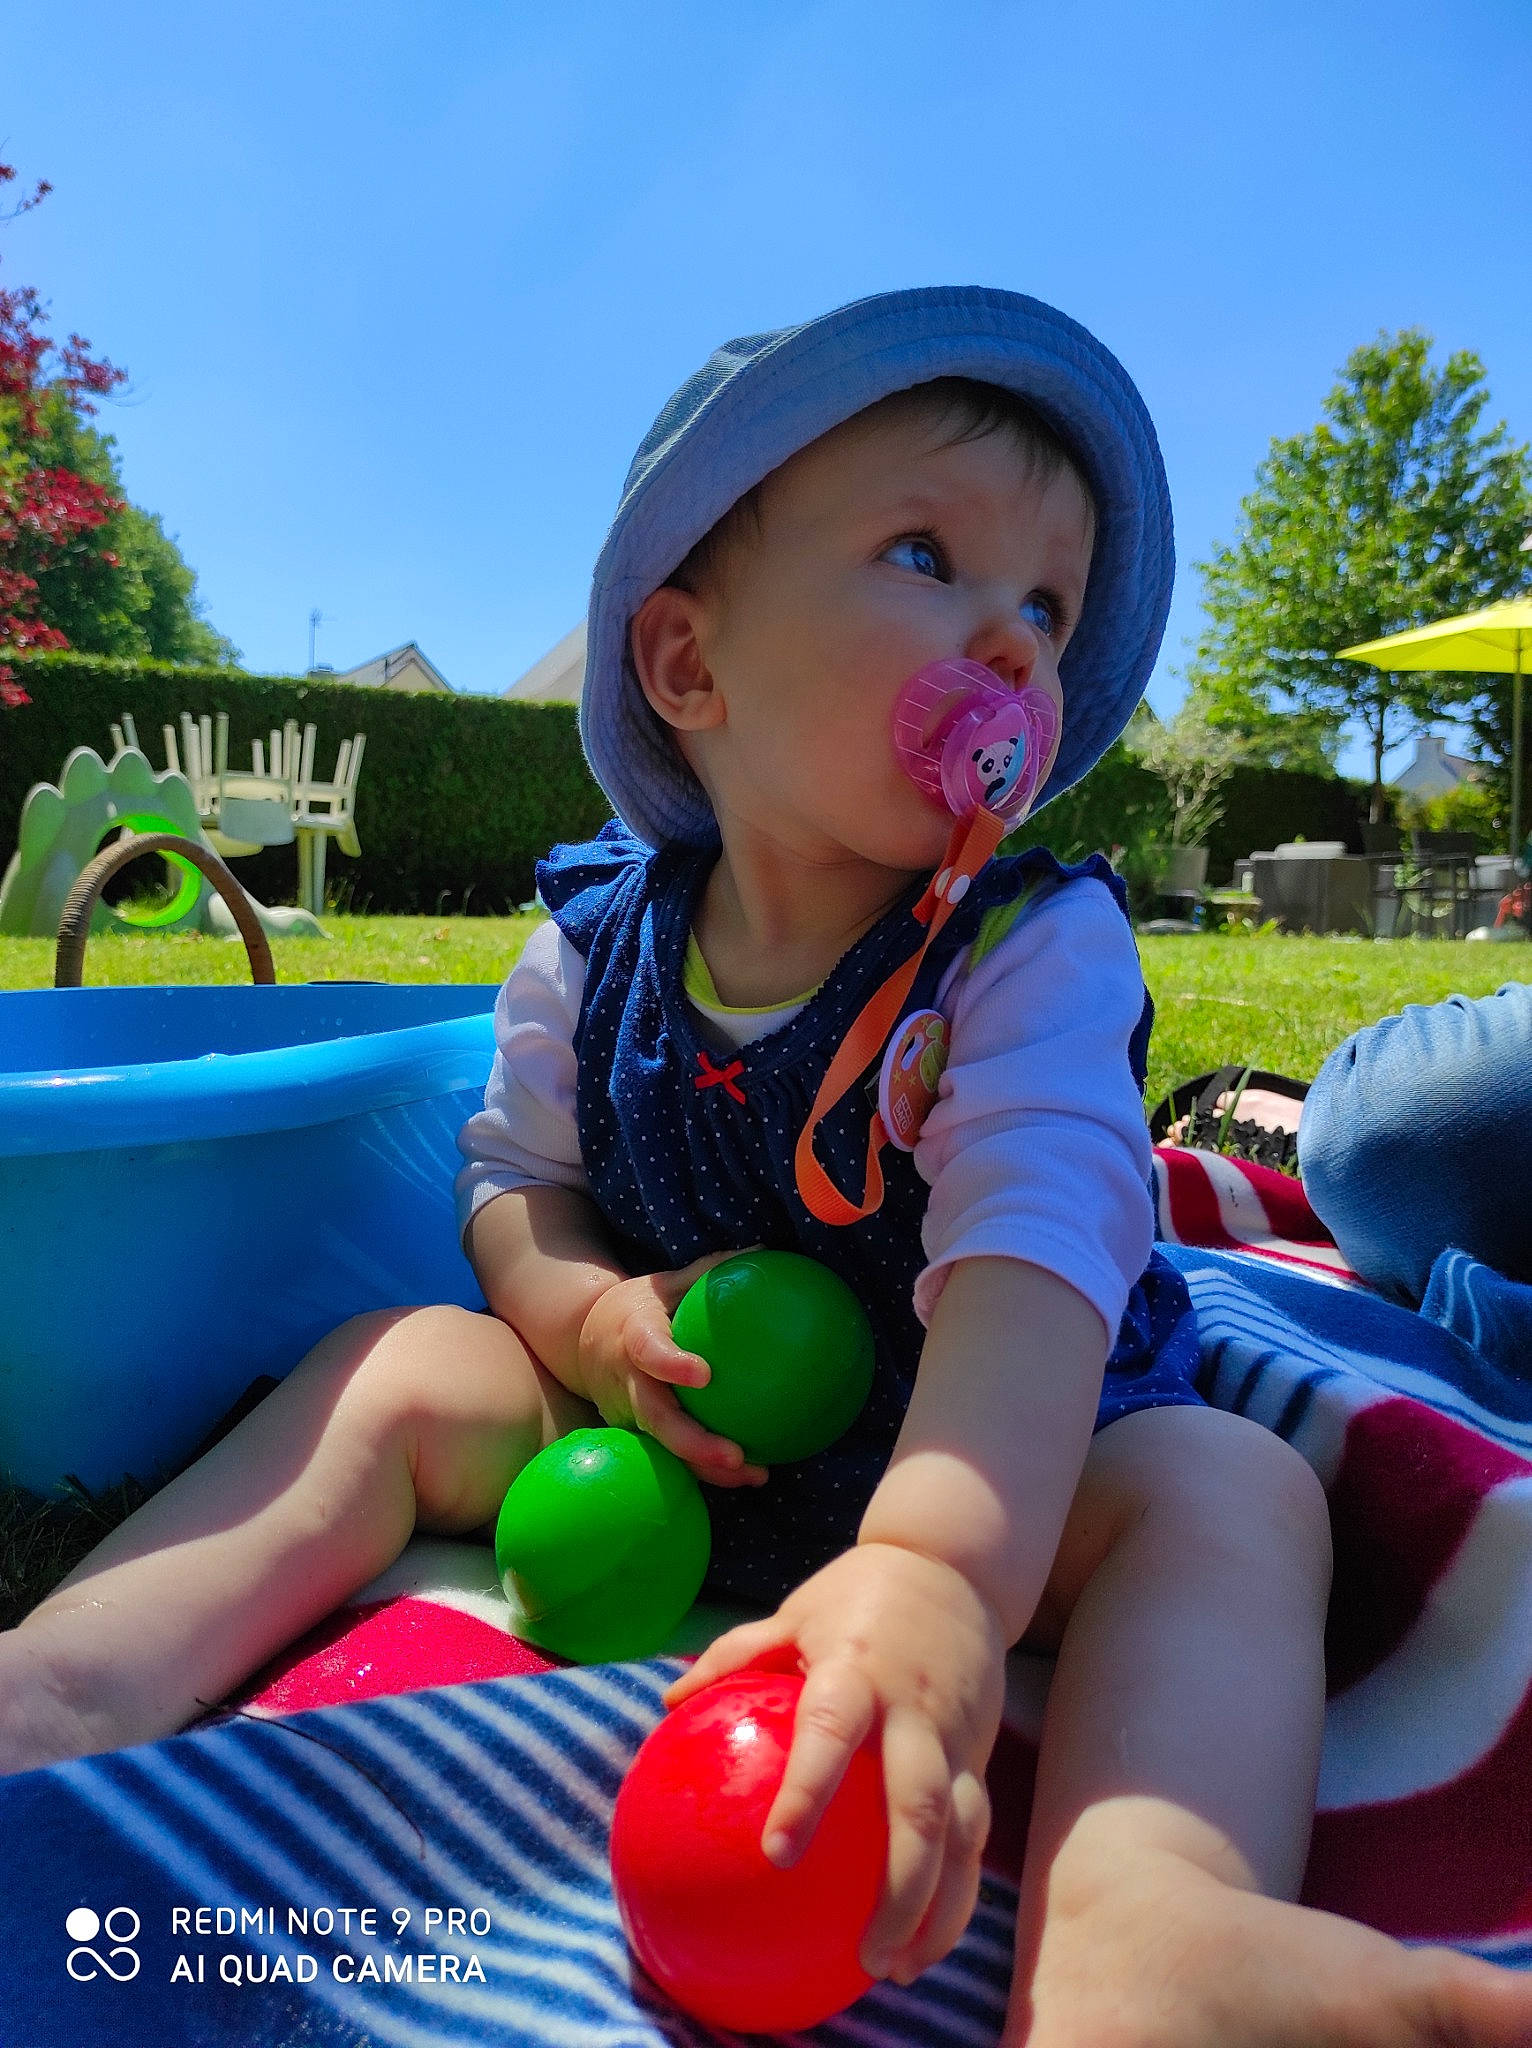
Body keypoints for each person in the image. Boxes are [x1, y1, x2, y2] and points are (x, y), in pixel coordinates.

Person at [3, 287, 1530, 2048]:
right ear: (689, 667)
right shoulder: (589, 947)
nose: (1018, 638)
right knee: (396, 1360)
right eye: (925, 554)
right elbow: (513, 1177)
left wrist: (947, 1572)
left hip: (1009, 1449)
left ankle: (1150, 1921)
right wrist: (581, 1323)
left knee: (1229, 1494)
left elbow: (1039, 1245)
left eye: (1048, 600)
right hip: (678, 1434)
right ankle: (67, 1677)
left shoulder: (1023, 952)